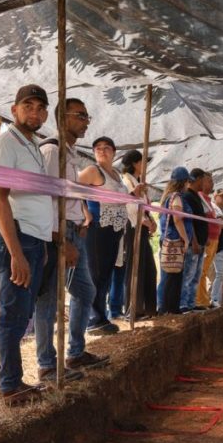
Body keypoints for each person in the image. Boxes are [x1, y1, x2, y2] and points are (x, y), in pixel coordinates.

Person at [32, 98, 109, 383]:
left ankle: (75, 352)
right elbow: (49, 198)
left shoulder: (71, 153)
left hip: (74, 229)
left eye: (87, 116)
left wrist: (82, 216)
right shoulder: (52, 150)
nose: (86, 120)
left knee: (85, 291)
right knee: (49, 300)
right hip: (58, 233)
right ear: (62, 117)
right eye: (80, 115)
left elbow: (69, 193)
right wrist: (61, 240)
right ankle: (46, 365)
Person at [0, 84, 55, 405]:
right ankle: (10, 385)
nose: (34, 111)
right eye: (27, 105)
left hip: (35, 240)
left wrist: (42, 246)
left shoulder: (34, 146)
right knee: (13, 315)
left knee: (23, 313)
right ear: (14, 110)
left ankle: (15, 380)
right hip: (17, 238)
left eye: (40, 107)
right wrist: (16, 253)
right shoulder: (6, 144)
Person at [78, 137, 131, 335]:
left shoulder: (116, 174)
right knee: (96, 274)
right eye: (98, 148)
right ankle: (93, 318)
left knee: (106, 273)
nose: (102, 151)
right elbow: (72, 188)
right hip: (98, 226)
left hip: (115, 229)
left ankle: (101, 316)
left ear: (114, 152)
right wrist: (85, 212)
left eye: (106, 148)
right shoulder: (93, 171)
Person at [120, 149, 157, 318]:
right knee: (135, 268)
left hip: (141, 227)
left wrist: (151, 219)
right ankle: (132, 308)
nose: (145, 166)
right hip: (133, 227)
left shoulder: (139, 181)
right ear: (135, 163)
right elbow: (131, 206)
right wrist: (145, 220)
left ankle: (146, 308)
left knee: (148, 268)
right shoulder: (127, 181)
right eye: (143, 162)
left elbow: (144, 206)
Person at [157, 167, 193, 314]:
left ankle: (170, 307)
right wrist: (185, 239)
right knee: (174, 275)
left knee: (172, 275)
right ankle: (169, 308)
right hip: (175, 240)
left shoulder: (168, 197)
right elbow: (177, 219)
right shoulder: (176, 198)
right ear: (184, 182)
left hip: (170, 238)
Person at [180, 168, 210, 312]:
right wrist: (194, 241)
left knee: (196, 276)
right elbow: (188, 221)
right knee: (189, 274)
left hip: (201, 241)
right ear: (198, 179)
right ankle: (183, 304)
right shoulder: (187, 196)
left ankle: (191, 303)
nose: (205, 183)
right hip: (194, 243)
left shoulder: (198, 196)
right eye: (204, 180)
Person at [195, 170, 219, 308]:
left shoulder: (208, 200)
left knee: (204, 270)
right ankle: (200, 300)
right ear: (201, 182)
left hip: (213, 239)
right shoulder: (199, 197)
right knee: (201, 271)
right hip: (207, 239)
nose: (212, 184)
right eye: (209, 181)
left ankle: (203, 299)